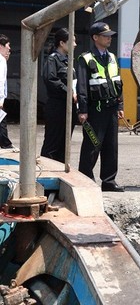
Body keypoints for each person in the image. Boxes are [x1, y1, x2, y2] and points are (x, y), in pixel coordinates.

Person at [76, 22, 124, 192]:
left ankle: (109, 181)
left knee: (111, 146)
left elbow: (118, 82)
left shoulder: (112, 57)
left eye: (110, 35)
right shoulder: (85, 58)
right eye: (105, 35)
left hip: (111, 109)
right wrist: (83, 110)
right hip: (95, 110)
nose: (109, 38)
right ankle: (86, 180)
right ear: (95, 38)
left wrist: (120, 105)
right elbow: (81, 86)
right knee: (92, 145)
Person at [40, 28, 78, 162]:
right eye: (72, 41)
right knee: (53, 142)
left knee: (64, 143)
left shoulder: (69, 61)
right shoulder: (53, 59)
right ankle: (46, 171)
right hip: (57, 107)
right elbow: (50, 79)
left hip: (69, 107)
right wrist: (69, 92)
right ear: (62, 43)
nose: (75, 44)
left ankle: (60, 170)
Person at [0, 35, 14, 150]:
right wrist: (0, 99)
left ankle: (6, 143)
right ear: (1, 46)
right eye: (8, 45)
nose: (9, 48)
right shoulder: (1, 60)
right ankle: (6, 145)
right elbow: (0, 81)